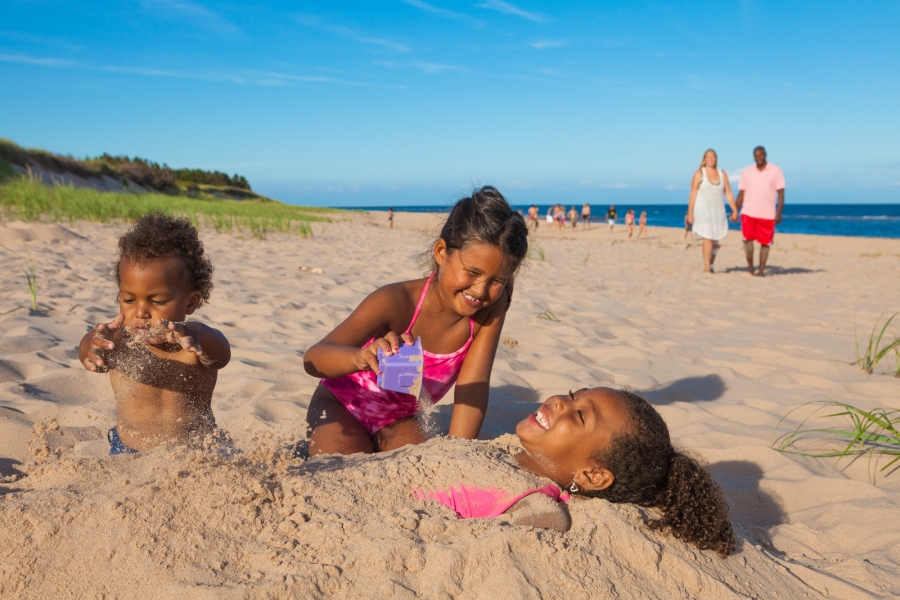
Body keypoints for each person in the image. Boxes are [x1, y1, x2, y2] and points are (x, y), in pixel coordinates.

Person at [303, 186, 528, 456]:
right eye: (472, 272)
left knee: (421, 476)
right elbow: (314, 358)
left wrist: (457, 453)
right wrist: (360, 358)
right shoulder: (396, 301)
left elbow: (473, 389)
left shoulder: (490, 309)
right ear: (442, 252)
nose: (480, 290)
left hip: (399, 419)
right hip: (339, 405)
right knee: (344, 474)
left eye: (497, 281)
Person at [413, 387, 735, 556]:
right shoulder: (498, 449)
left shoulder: (540, 507)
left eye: (580, 416)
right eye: (572, 394)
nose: (559, 402)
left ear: (593, 476)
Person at [78, 213, 232, 454]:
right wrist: (92, 345)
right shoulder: (120, 343)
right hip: (129, 451)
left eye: (157, 301)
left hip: (199, 453)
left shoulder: (193, 343)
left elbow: (221, 355)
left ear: (190, 303)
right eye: (128, 299)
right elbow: (90, 354)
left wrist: (196, 335)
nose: (140, 311)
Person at [687, 149, 739, 273]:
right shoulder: (699, 173)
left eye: (713, 157)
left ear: (716, 158)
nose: (711, 159)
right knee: (708, 238)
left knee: (715, 240)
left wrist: (735, 210)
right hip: (703, 211)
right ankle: (706, 267)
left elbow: (728, 193)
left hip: (718, 211)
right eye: (708, 157)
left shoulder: (722, 174)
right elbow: (693, 193)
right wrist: (690, 212)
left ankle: (711, 265)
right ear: (704, 159)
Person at [736, 146, 785, 277]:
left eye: (761, 155)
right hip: (748, 212)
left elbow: (781, 194)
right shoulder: (747, 171)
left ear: (765, 155)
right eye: (756, 156)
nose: (759, 158)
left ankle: (761, 271)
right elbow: (741, 192)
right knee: (747, 240)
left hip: (767, 214)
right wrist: (735, 210)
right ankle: (751, 267)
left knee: (765, 243)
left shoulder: (776, 170)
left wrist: (779, 213)